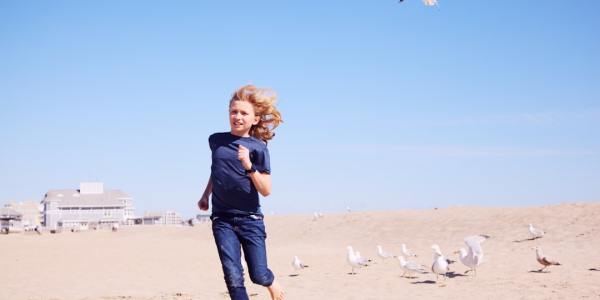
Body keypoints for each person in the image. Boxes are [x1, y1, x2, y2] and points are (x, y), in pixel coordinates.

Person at [198, 84, 284, 300]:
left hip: (250, 220)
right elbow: (217, 170)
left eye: (243, 113)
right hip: (222, 219)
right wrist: (205, 194)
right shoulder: (216, 141)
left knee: (259, 275)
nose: (237, 116)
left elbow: (266, 190)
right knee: (233, 275)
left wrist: (249, 166)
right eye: (233, 112)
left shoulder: (258, 148)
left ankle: (272, 284)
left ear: (255, 119)